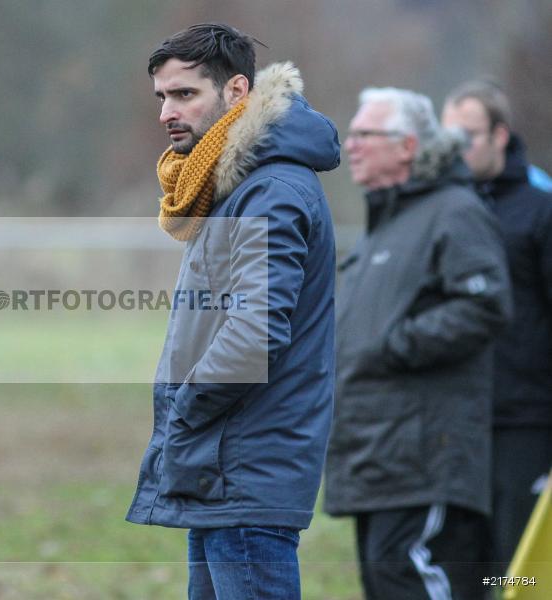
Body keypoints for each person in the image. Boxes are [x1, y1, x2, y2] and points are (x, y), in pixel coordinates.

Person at [125, 23, 341, 599]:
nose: (168, 112)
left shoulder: (271, 189)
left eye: (185, 94)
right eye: (162, 97)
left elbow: (253, 331)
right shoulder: (229, 187)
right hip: (221, 464)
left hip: (245, 463)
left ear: (237, 92)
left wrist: (185, 405)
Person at [324, 87, 512, 600]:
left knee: (415, 578)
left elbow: (484, 305)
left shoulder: (454, 211)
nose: (352, 145)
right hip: (375, 451)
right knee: (386, 581)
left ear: (407, 146)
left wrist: (395, 346)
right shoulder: (383, 227)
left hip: (424, 454)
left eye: (366, 134)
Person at [442, 80, 552, 569]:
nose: (457, 150)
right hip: (458, 423)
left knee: (517, 569)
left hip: (525, 421)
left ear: (500, 135)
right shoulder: (444, 206)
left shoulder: (539, 206)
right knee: (466, 566)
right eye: (448, 138)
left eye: (467, 136)